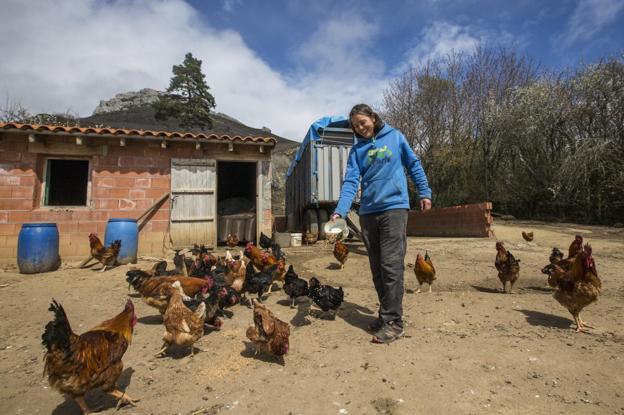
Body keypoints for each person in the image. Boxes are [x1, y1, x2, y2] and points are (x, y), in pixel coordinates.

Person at [331, 103, 432, 344]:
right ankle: (385, 315)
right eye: (355, 126)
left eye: (362, 122)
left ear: (373, 118)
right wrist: (340, 211)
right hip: (367, 213)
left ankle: (394, 322)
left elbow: (414, 164)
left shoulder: (395, 137)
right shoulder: (357, 151)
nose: (360, 128)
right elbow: (350, 183)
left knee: (391, 266)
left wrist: (424, 191)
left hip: (394, 209)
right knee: (377, 269)